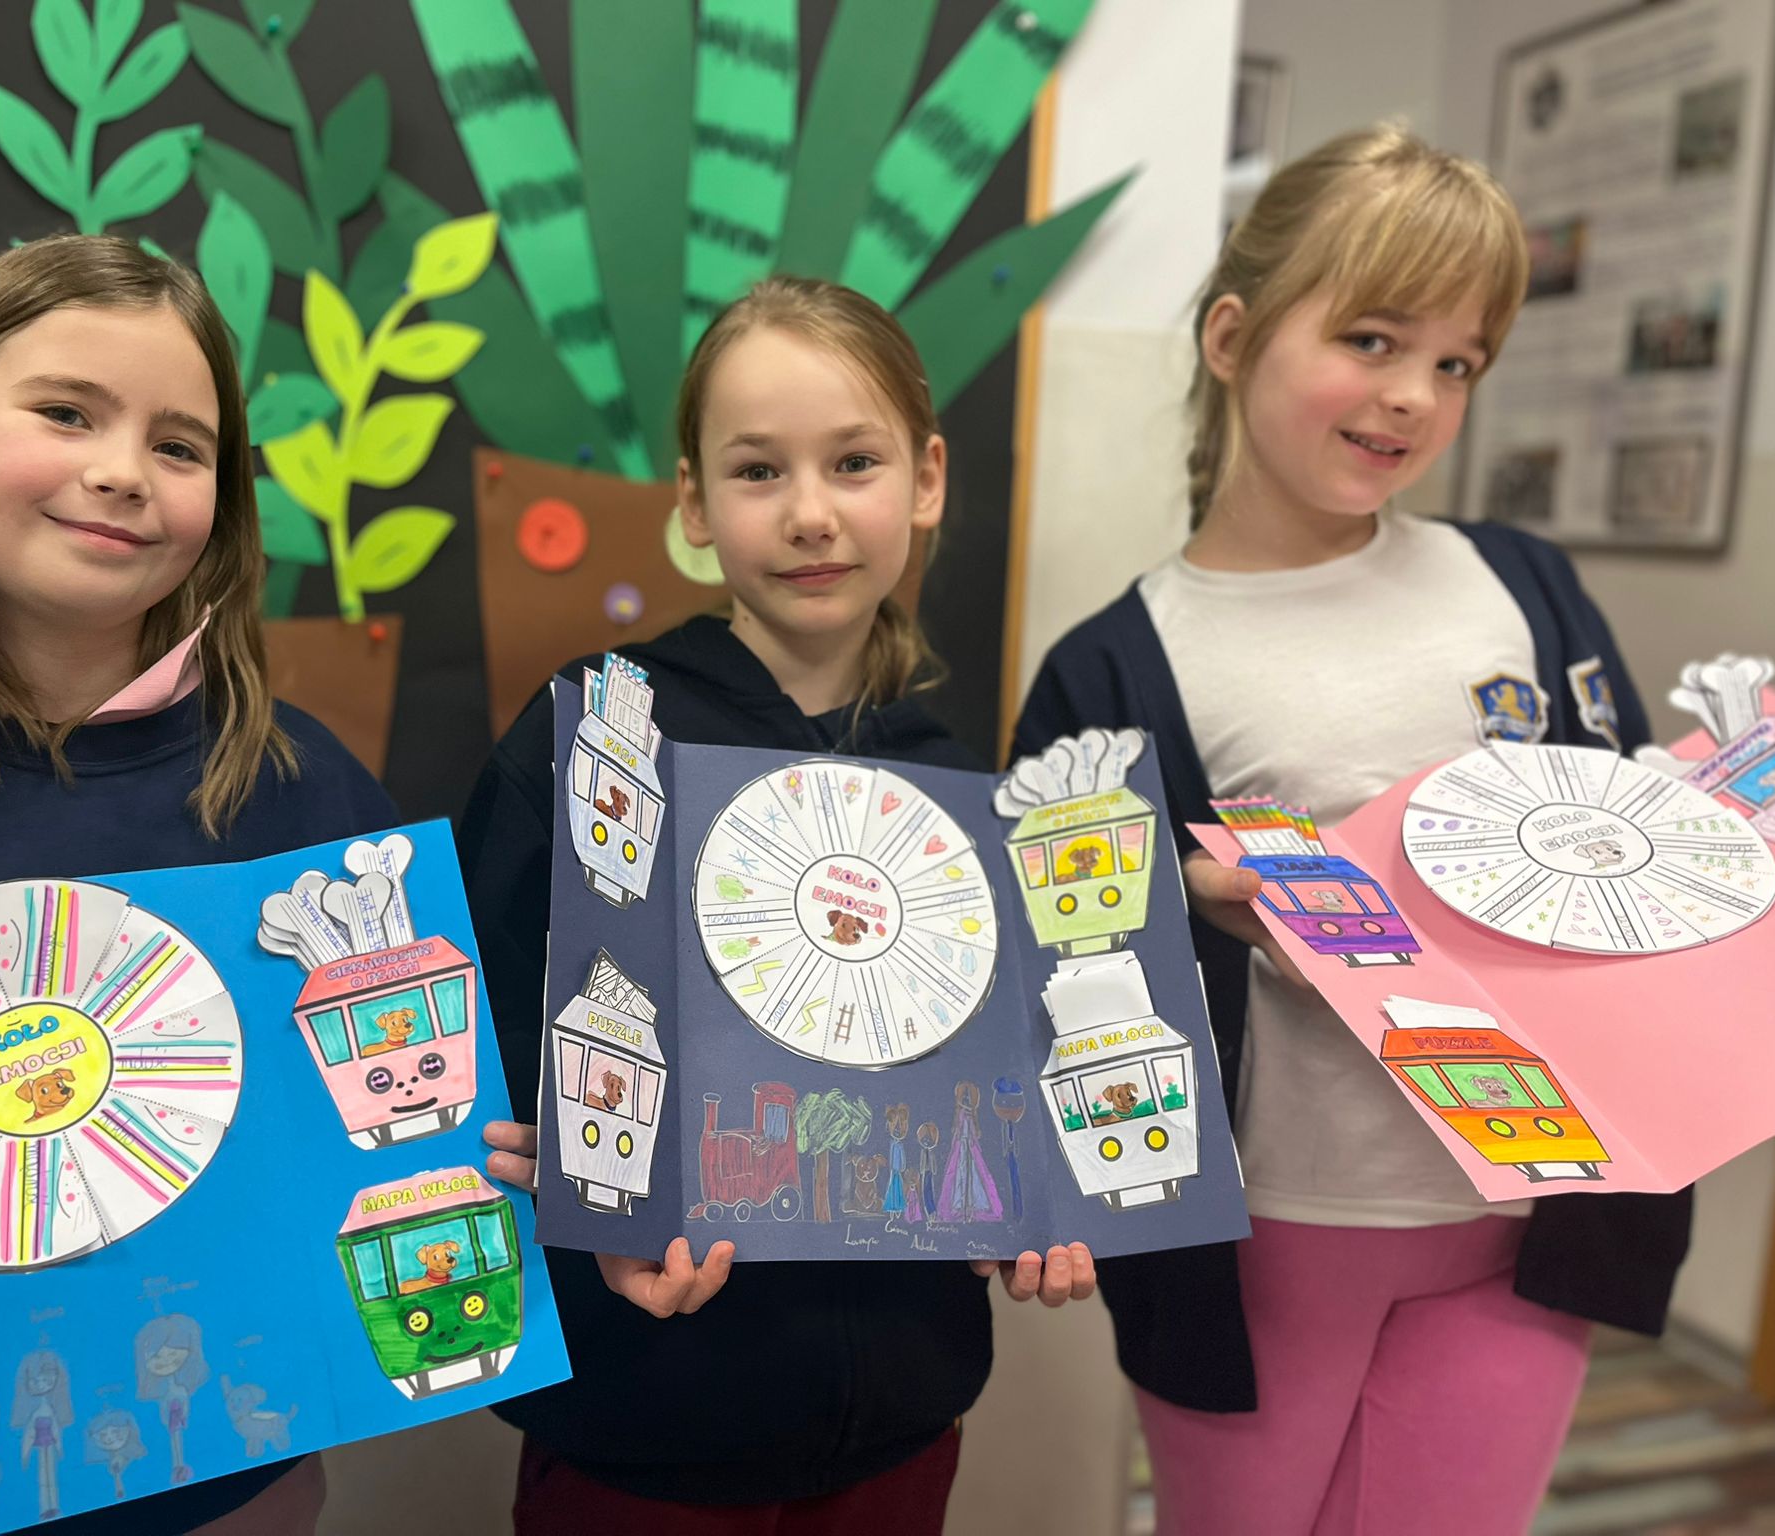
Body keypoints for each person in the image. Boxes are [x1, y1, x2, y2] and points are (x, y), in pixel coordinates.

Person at [1013, 125, 1691, 1536]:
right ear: (1231, 337)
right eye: (1371, 339)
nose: (1410, 398)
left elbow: (1635, 849)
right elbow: (1039, 962)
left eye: (1455, 363)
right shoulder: (1115, 666)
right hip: (1271, 1234)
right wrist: (1181, 894)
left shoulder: (1526, 586)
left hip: (1530, 1217)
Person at [0, 233, 401, 1535]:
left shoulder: (305, 793)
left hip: (224, 1491)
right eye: (65, 413)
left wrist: (478, 1150)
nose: (122, 472)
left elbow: (396, 1110)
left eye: (180, 445)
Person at [461, 276, 1095, 1534]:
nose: (810, 514)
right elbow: (480, 1035)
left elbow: (1003, 1072)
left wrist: (1037, 1195)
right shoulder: (602, 737)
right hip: (648, 1422)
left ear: (925, 479)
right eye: (758, 471)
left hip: (899, 1425)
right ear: (694, 503)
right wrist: (574, 1213)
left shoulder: (959, 788)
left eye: (853, 463)